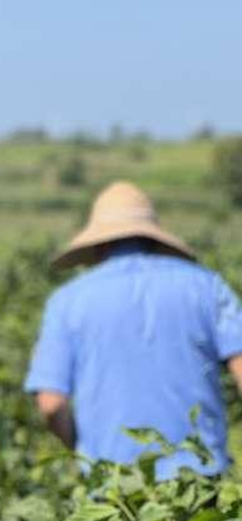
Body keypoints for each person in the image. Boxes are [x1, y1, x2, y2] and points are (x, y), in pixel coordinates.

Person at [25, 180, 242, 478]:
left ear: (99, 246)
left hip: (115, 487)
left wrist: (80, 450)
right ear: (154, 240)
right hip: (199, 482)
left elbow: (51, 404)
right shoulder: (207, 286)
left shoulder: (67, 301)